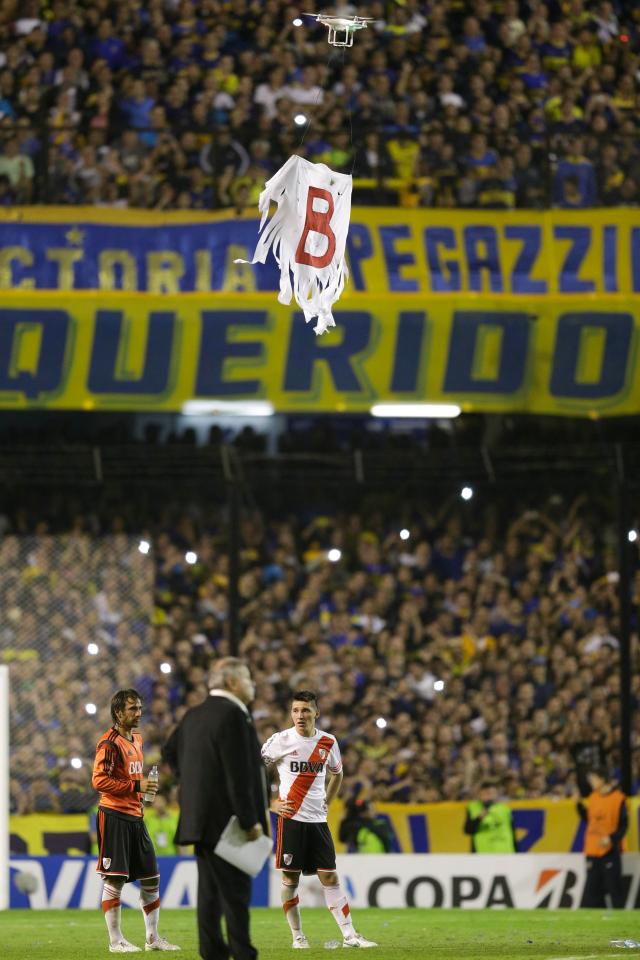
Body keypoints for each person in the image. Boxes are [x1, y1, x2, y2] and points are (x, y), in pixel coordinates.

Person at [162, 658, 268, 960]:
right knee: (235, 894)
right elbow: (239, 773)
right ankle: (243, 953)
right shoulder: (234, 714)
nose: (252, 684)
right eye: (248, 678)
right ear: (233, 682)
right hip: (228, 822)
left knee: (209, 893)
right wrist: (249, 820)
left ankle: (212, 952)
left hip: (199, 818)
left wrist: (195, 786)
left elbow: (170, 752)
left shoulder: (193, 714)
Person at [261, 690, 377, 950]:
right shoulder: (280, 741)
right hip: (290, 819)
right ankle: (298, 936)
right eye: (295, 710)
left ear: (316, 713)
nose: (299, 716)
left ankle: (350, 936)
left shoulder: (328, 742)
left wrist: (328, 799)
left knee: (330, 877)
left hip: (317, 821)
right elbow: (253, 771)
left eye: (305, 710)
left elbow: (338, 773)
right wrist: (270, 804)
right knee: (290, 881)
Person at [91, 688, 180, 953]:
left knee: (152, 878)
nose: (138, 713)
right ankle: (115, 941)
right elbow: (99, 781)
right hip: (114, 815)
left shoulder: (137, 739)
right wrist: (136, 785)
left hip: (136, 816)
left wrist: (144, 789)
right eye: (132, 708)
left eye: (140, 708)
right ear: (118, 712)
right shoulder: (108, 743)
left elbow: (133, 779)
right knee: (115, 879)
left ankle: (152, 938)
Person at [576, 766, 627, 908]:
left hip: (609, 851)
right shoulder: (593, 797)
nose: (591, 782)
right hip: (592, 850)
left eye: (593, 779)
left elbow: (624, 825)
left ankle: (620, 925)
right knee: (592, 893)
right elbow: (591, 820)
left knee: (614, 890)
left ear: (602, 779)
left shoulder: (618, 799)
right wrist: (579, 806)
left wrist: (611, 839)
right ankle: (596, 926)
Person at [464, 780, 517, 853]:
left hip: (505, 854)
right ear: (480, 794)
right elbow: (467, 830)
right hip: (483, 854)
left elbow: (512, 832)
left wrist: (517, 853)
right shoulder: (473, 808)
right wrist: (479, 818)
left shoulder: (504, 809)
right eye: (486, 793)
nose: (490, 796)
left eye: (492, 793)